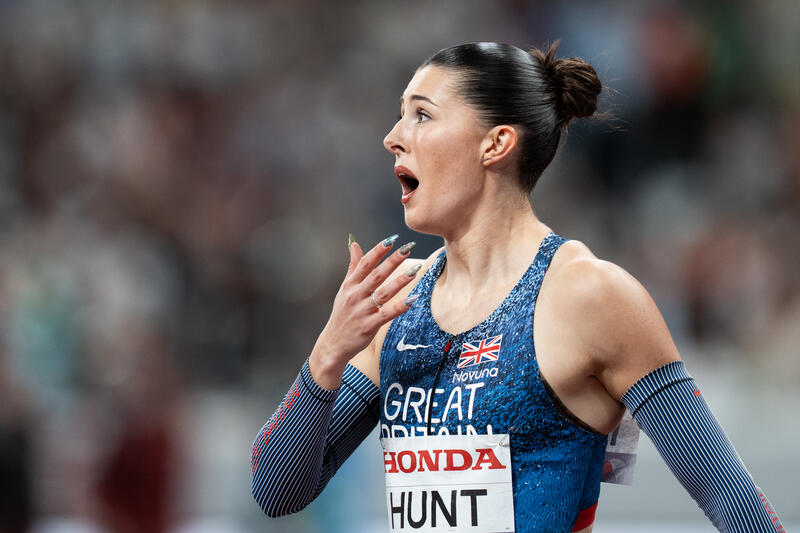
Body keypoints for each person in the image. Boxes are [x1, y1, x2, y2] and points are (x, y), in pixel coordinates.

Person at [250, 42, 785, 532]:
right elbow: (276, 492)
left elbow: (734, 505)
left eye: (421, 115)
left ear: (496, 143)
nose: (392, 137)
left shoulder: (589, 296)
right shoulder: (397, 301)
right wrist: (327, 354)